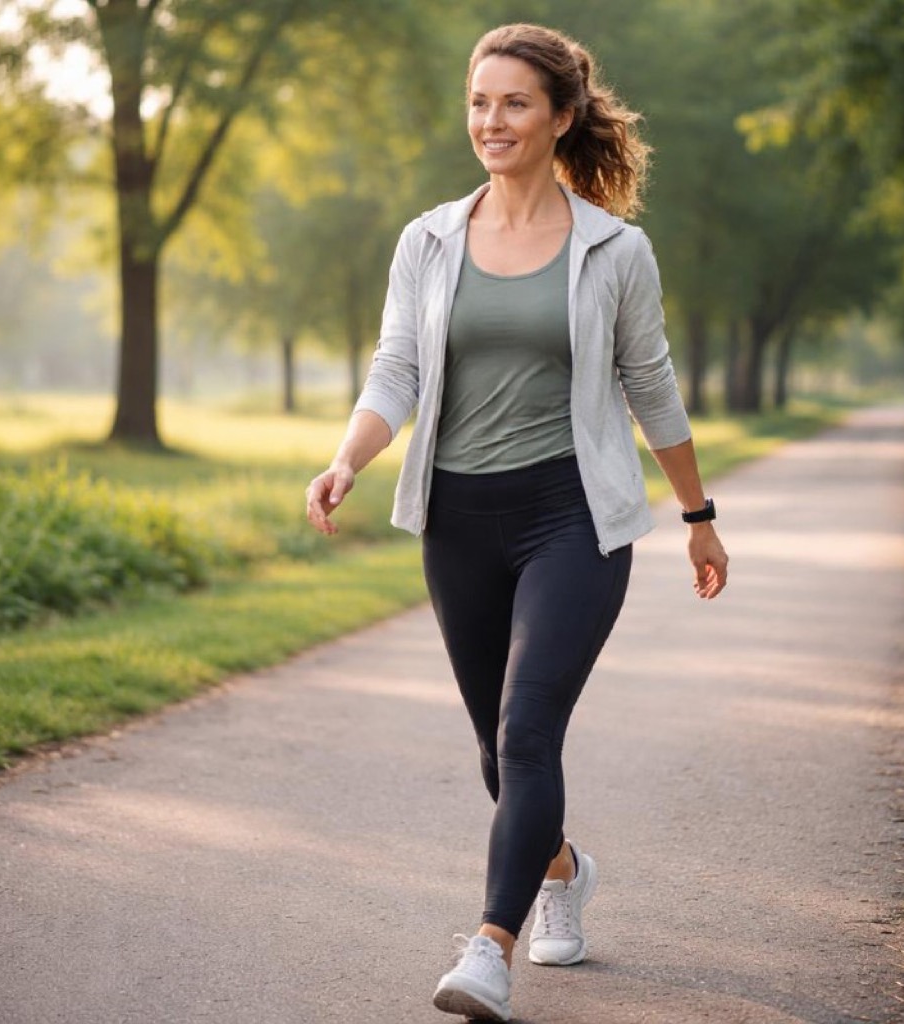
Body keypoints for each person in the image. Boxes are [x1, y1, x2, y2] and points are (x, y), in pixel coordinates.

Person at [305, 22, 728, 1022]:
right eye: (478, 103)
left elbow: (651, 387)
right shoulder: (430, 238)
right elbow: (397, 364)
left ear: (561, 116)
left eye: (514, 103)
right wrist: (347, 456)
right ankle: (563, 869)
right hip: (458, 515)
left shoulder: (615, 248)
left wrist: (698, 515)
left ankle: (489, 948)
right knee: (500, 754)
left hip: (572, 514)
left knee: (528, 725)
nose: (491, 122)